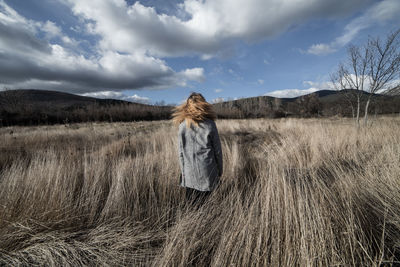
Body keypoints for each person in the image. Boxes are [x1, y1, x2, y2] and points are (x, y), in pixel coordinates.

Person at [172, 92, 223, 208]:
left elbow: (181, 153)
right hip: (208, 171)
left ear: (187, 106)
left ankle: (192, 226)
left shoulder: (182, 126)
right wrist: (220, 170)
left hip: (189, 173)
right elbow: (218, 152)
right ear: (203, 104)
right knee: (207, 207)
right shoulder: (210, 124)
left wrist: (183, 173)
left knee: (191, 206)